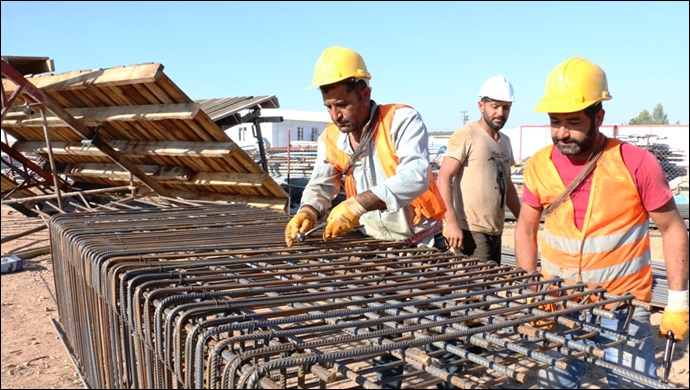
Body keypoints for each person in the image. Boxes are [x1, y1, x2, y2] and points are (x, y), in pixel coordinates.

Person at [283, 46, 455, 388]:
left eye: (342, 104)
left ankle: (450, 379)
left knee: (440, 330)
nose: (335, 115)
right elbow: (322, 182)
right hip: (377, 249)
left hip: (420, 247)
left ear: (365, 93)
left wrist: (357, 204)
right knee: (384, 333)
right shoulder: (333, 137)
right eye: (329, 106)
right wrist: (308, 210)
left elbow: (416, 175)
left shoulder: (400, 120)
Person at [514, 56, 689, 389]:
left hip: (622, 307)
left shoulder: (635, 163)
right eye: (555, 122)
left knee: (632, 385)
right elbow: (524, 226)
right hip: (559, 303)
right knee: (556, 384)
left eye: (574, 121)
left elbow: (672, 228)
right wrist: (531, 285)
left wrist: (678, 301)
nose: (561, 133)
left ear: (599, 117)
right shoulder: (538, 165)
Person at [437, 75, 521, 264]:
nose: (500, 112)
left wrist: (524, 221)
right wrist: (450, 223)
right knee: (475, 290)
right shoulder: (466, 134)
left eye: (505, 107)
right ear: (481, 106)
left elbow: (507, 186)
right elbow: (443, 178)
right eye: (494, 106)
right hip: (471, 231)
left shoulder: (505, 142)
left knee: (490, 287)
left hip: (496, 231)